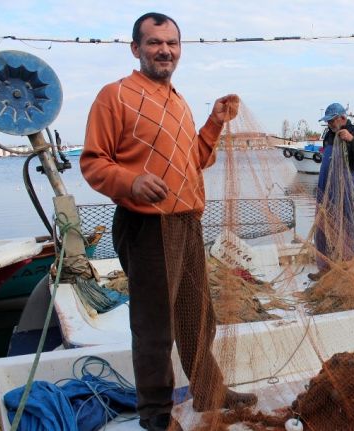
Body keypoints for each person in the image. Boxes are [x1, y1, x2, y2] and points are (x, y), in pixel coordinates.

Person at [80, 12, 256, 431]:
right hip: (147, 227)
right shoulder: (115, 96)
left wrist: (214, 121)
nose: (165, 50)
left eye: (172, 43)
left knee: (198, 316)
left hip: (187, 222)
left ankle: (209, 389)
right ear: (136, 48)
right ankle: (156, 416)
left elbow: (194, 161)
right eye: (155, 42)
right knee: (155, 329)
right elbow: (92, 163)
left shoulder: (177, 100)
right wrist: (131, 182)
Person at [308, 103, 354, 281]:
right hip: (327, 184)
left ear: (342, 118)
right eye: (327, 121)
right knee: (321, 224)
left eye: (331, 120)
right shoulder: (328, 135)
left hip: (350, 182)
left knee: (345, 223)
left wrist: (351, 140)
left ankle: (347, 264)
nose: (329, 124)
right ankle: (324, 267)